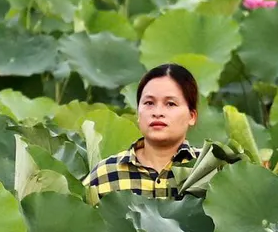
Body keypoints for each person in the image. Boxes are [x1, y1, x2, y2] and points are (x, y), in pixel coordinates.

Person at [84, 63, 200, 202]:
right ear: (138, 113)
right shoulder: (105, 174)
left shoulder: (209, 169)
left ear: (192, 116)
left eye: (170, 104)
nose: (157, 113)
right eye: (149, 103)